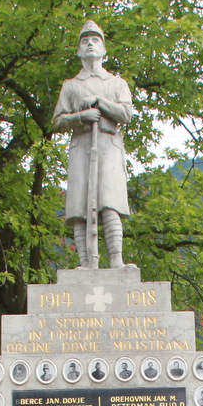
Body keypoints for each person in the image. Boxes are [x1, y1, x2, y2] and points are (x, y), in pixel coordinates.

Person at [52, 21, 134, 269]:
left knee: (110, 203)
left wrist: (100, 101)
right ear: (78, 50)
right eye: (85, 40)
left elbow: (126, 114)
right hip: (82, 145)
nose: (90, 44)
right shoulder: (71, 85)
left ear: (104, 50)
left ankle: (116, 260)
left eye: (95, 40)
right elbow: (58, 121)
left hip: (108, 144)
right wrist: (81, 116)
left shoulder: (116, 83)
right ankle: (86, 262)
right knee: (80, 207)